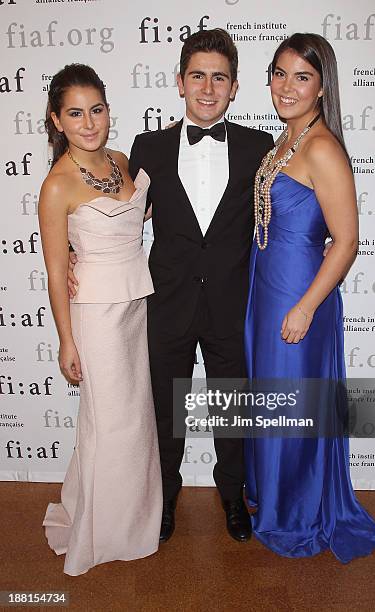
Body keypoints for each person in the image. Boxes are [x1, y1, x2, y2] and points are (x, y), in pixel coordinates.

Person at [244, 33, 375, 562]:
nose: (286, 87)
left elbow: (347, 240)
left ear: (322, 85)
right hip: (266, 288)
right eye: (279, 74)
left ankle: (297, 512)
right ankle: (274, 500)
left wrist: (306, 306)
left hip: (299, 291)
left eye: (301, 77)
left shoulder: (323, 147)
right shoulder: (283, 140)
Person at [128, 29, 274, 542]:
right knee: (166, 409)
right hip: (167, 302)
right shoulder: (146, 147)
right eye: (198, 76)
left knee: (232, 407)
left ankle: (233, 497)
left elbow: (281, 213)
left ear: (234, 87)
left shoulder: (261, 146)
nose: (208, 88)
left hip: (232, 303)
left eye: (219, 77)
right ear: (179, 82)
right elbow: (123, 218)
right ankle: (164, 497)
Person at [38, 64, 162, 576]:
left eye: (97, 110)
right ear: (57, 120)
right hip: (95, 318)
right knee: (110, 426)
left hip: (136, 305)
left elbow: (135, 214)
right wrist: (67, 342)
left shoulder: (122, 161)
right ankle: (103, 532)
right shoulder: (56, 186)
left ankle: (134, 521)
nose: (89, 122)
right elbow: (53, 270)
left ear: (108, 111)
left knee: (135, 423)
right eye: (75, 113)